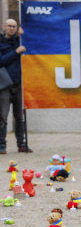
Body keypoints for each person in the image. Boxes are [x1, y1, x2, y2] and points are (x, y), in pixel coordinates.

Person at [0, 19, 31, 154]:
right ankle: (2, 145)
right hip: (5, 85)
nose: (12, 28)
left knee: (19, 117)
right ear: (4, 27)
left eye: (14, 26)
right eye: (9, 26)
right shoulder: (1, 43)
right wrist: (16, 52)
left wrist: (24, 35)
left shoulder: (20, 41)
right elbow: (1, 61)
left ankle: (21, 144)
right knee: (2, 117)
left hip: (19, 84)